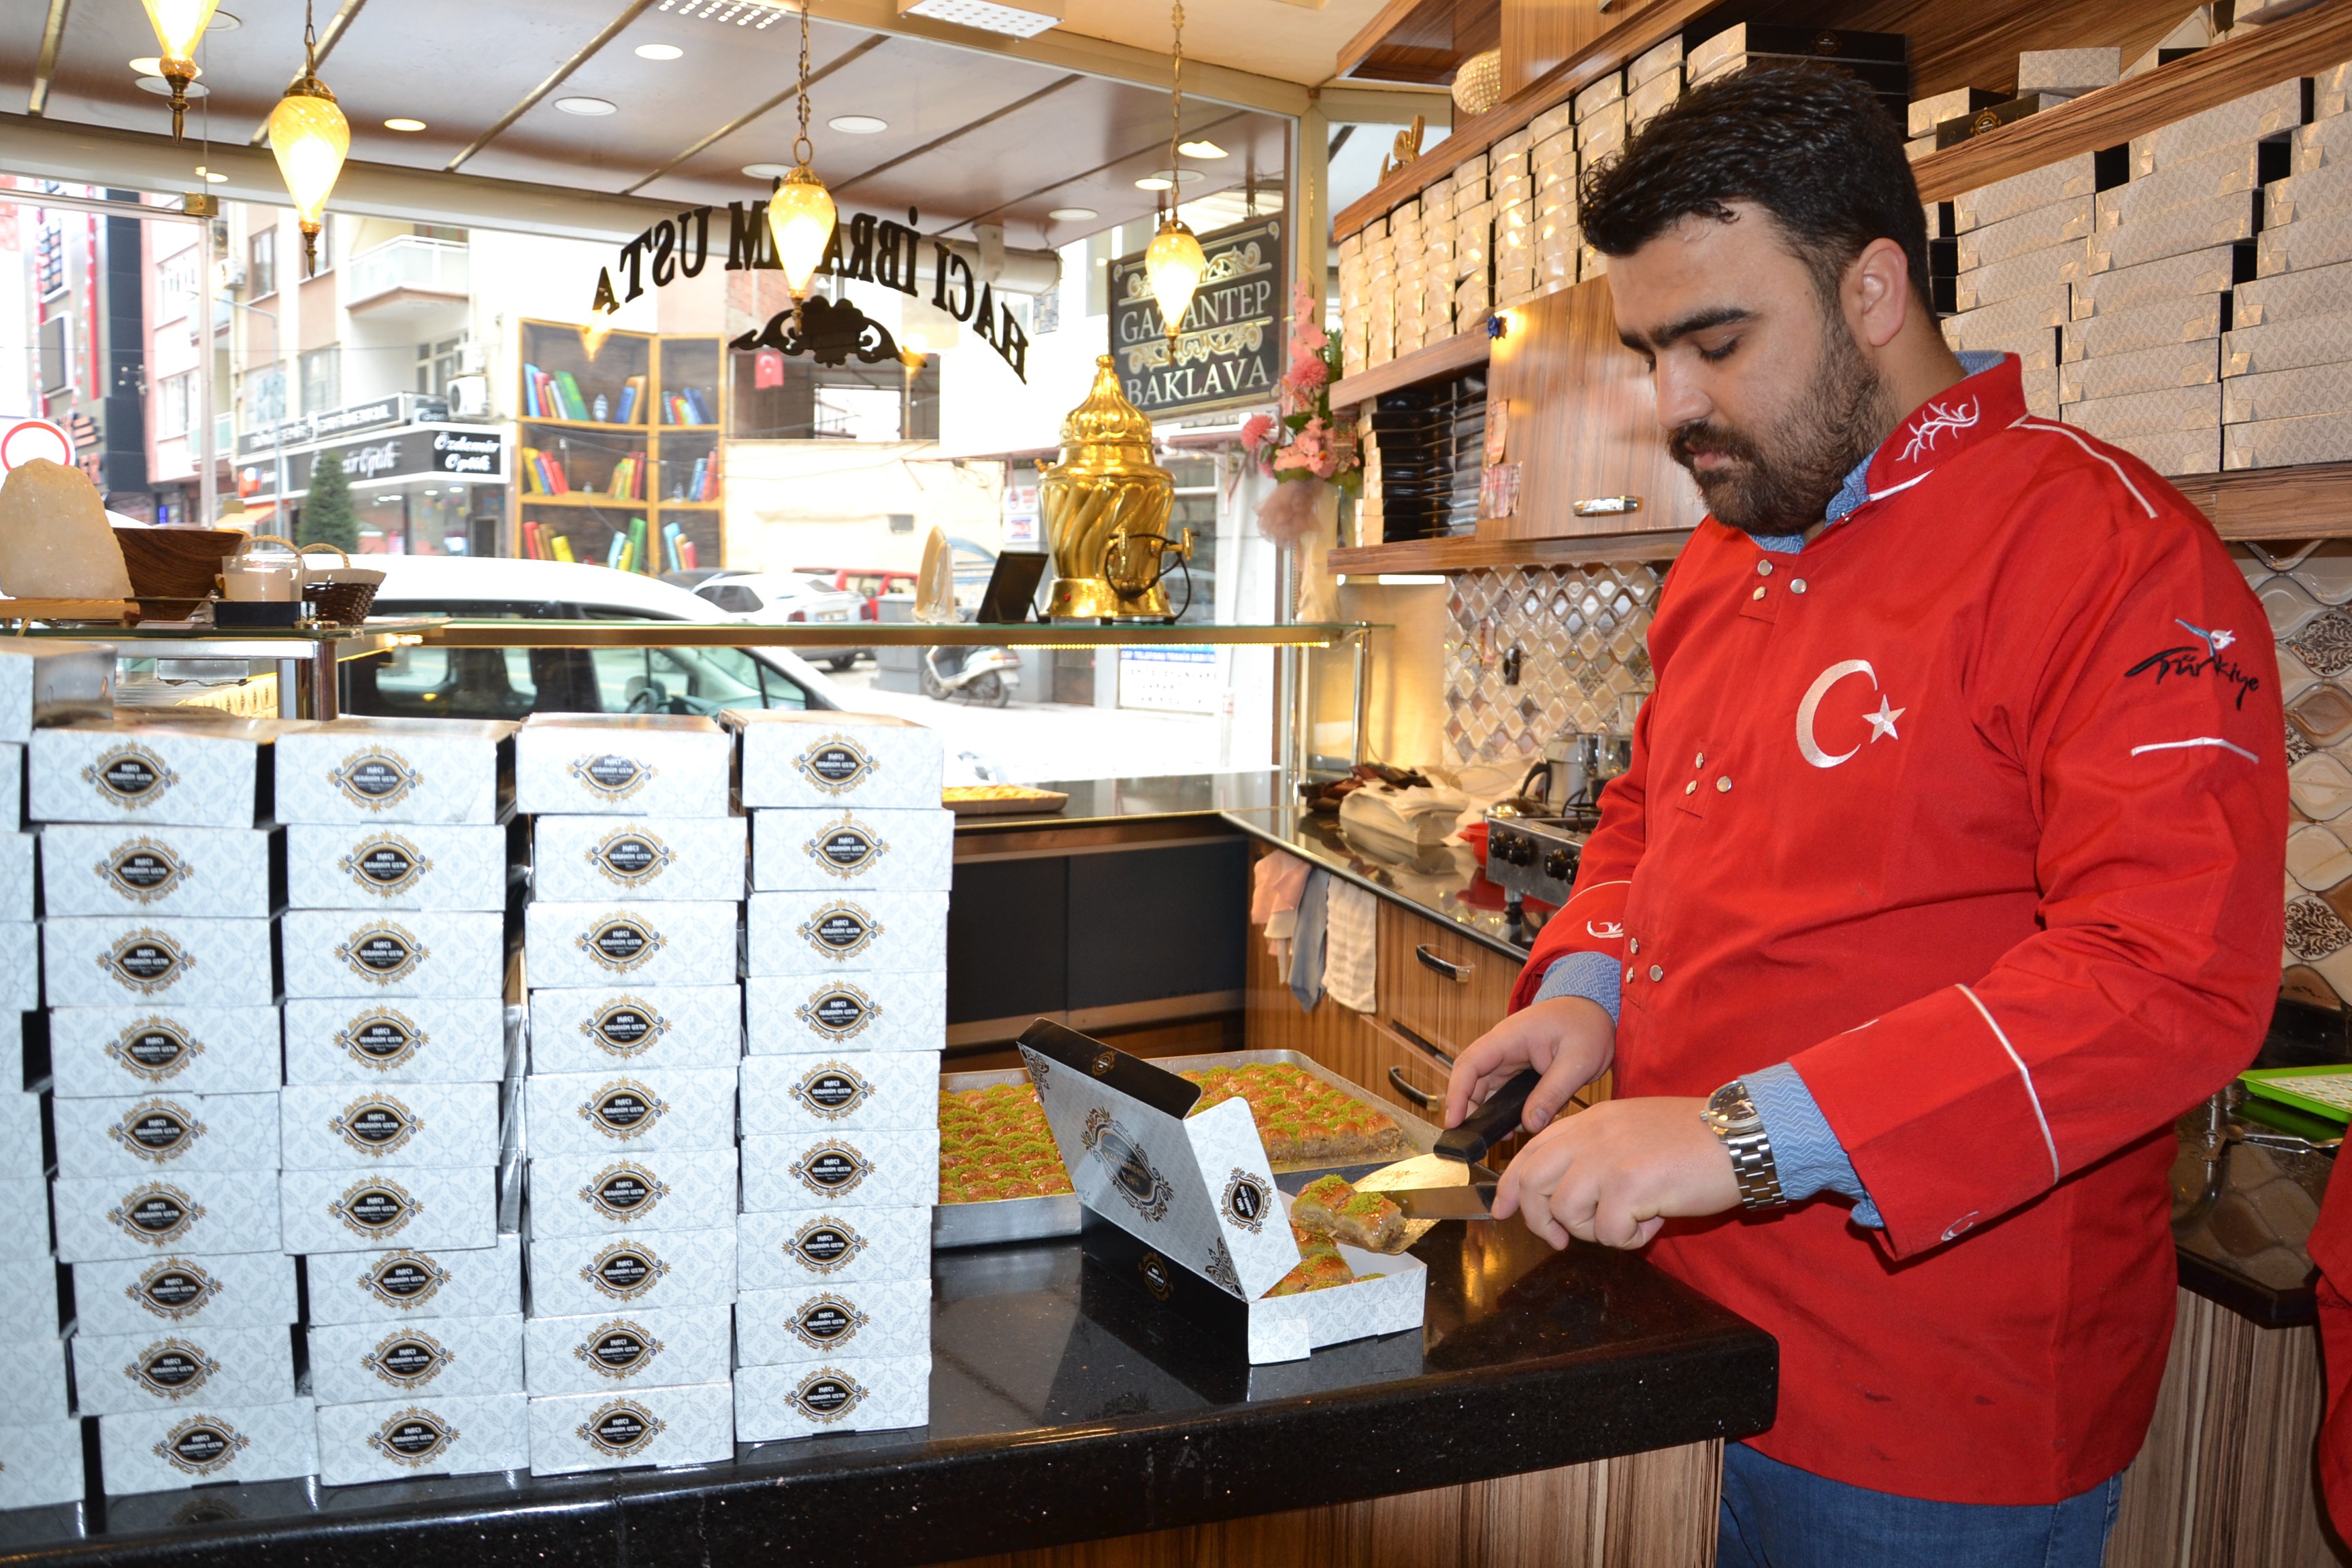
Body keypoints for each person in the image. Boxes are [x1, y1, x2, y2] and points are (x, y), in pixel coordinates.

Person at [1442, 64, 2285, 1567]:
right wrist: (1586, 989)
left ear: (1876, 290)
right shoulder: (1729, 551)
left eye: (1716, 342)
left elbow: (2167, 980)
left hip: (1935, 1405)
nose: (1673, 405)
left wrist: (1739, 1137)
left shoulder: (2112, 550)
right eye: (1652, 352)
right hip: (1682, 1323)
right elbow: (1648, 812)